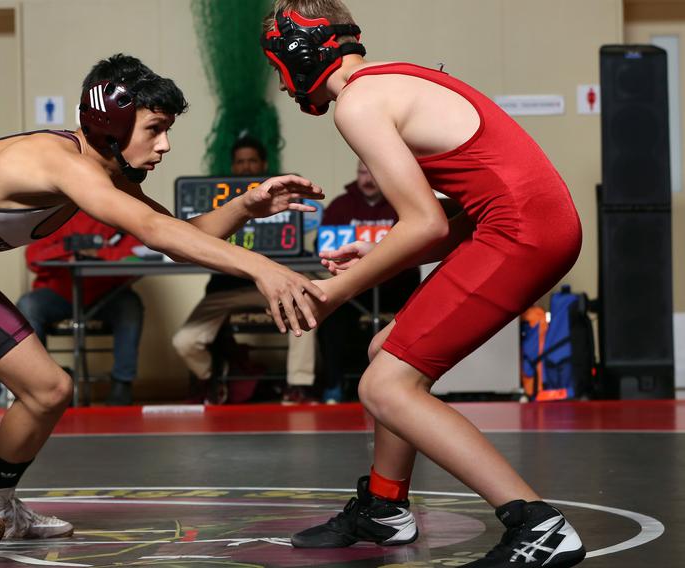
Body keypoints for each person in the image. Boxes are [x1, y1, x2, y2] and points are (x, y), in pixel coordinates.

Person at [0, 53, 326, 568]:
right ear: (112, 122)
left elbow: (178, 237)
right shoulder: (61, 161)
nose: (165, 145)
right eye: (156, 129)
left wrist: (246, 206)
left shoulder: (102, 171)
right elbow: (158, 232)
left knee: (48, 390)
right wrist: (261, 267)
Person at [261, 3, 586, 566]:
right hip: (530, 222)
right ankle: (386, 508)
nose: (284, 84)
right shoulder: (396, 79)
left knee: (384, 386)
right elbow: (457, 211)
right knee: (384, 352)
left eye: (278, 68)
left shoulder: (357, 103)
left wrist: (332, 293)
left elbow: (427, 224)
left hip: (522, 231)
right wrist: (384, 248)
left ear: (299, 54)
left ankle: (540, 527)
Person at [173, 136, 317, 404]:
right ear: (233, 166)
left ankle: (299, 385)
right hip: (224, 289)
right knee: (184, 341)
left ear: (263, 164)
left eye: (252, 161)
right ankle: (214, 376)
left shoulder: (282, 197)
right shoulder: (219, 201)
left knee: (305, 311)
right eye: (240, 162)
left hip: (271, 286)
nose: (247, 167)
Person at [317, 161, 420, 403]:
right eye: (363, 173)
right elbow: (322, 249)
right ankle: (333, 386)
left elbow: (416, 249)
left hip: (395, 286)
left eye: (373, 173)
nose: (367, 179)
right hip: (354, 290)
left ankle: (412, 388)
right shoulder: (340, 206)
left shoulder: (402, 205)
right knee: (331, 317)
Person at [17, 211, 144, 406]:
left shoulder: (116, 213)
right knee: (28, 305)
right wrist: (71, 249)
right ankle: (45, 382)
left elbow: (136, 255)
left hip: (107, 294)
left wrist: (98, 253)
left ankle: (122, 384)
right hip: (59, 293)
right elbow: (33, 257)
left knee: (130, 307)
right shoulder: (57, 216)